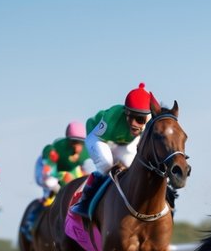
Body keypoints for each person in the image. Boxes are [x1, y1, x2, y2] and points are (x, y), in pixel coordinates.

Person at [71, 83, 155, 218]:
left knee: (133, 168)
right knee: (106, 163)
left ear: (148, 116)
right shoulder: (112, 116)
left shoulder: (151, 121)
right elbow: (96, 138)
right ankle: (85, 201)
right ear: (125, 113)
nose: (134, 123)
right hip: (99, 137)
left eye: (140, 119)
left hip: (122, 143)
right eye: (131, 117)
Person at [35, 121, 91, 199]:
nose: (76, 147)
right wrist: (63, 176)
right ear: (68, 141)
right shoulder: (58, 150)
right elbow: (51, 172)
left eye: (80, 142)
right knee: (50, 182)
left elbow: (84, 172)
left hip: (65, 168)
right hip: (47, 166)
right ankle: (47, 198)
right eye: (74, 142)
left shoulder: (86, 151)